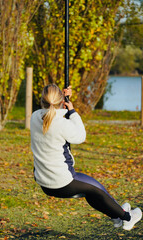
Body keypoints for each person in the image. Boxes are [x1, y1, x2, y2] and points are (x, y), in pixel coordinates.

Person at [30, 84, 142, 231]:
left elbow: (52, 114)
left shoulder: (34, 117)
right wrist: (72, 111)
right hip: (63, 183)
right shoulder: (62, 124)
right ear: (59, 101)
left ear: (42, 101)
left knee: (91, 192)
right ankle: (127, 218)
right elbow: (80, 136)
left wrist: (64, 102)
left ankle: (116, 215)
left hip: (44, 181)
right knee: (97, 189)